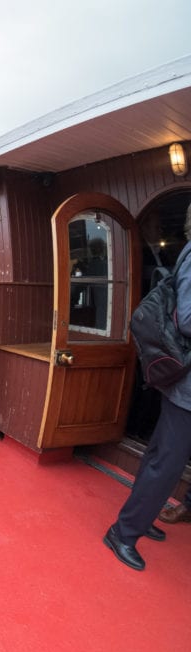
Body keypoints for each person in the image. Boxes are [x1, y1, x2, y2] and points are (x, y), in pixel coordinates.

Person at [104, 212, 191, 570]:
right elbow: (188, 319)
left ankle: (143, 516)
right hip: (187, 388)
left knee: (160, 456)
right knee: (166, 463)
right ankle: (123, 533)